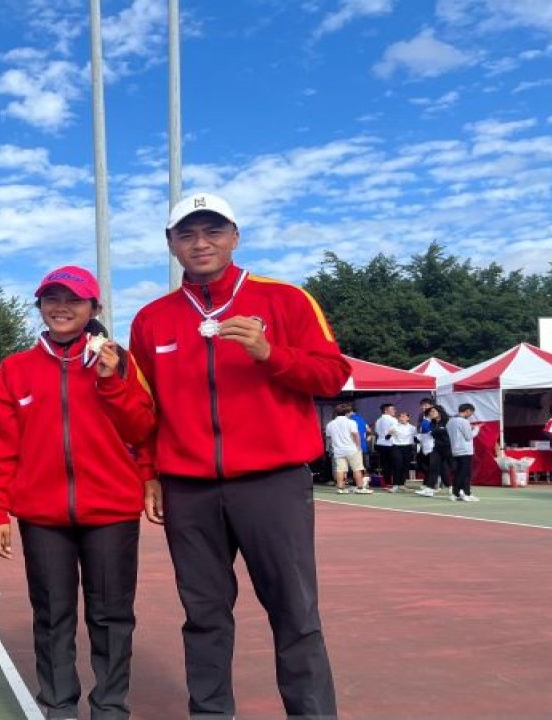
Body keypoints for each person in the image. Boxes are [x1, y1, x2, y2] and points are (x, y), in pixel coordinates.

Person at [131, 192, 347, 718]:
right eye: (187, 234)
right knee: (203, 616)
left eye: (213, 231)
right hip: (189, 487)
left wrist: (270, 354)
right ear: (170, 244)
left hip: (273, 483)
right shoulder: (152, 320)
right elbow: (143, 410)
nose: (200, 243)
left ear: (235, 235)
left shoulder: (287, 300)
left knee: (295, 613)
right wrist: (149, 474)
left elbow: (332, 375)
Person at [0, 266, 155, 720]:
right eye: (52, 298)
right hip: (42, 516)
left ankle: (110, 707)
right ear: (40, 306)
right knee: (53, 616)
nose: (62, 307)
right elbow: (1, 444)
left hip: (112, 511)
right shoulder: (15, 369)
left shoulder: (119, 359)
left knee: (111, 617)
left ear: (94, 308)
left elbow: (142, 427)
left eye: (74, 299)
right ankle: (58, 706)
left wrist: (111, 381)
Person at [325, 402, 368, 494]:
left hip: (338, 450)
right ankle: (360, 488)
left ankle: (341, 488)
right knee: (357, 468)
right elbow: (356, 435)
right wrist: (358, 446)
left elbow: (328, 436)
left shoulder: (330, 424)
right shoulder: (351, 422)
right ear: (347, 412)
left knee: (340, 469)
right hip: (351, 448)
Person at [415, 405, 451, 498]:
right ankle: (430, 489)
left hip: (448, 448)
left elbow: (447, 433)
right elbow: (430, 432)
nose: (431, 413)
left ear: (440, 412)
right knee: (433, 467)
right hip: (436, 448)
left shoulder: (447, 421)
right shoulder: (432, 423)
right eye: (430, 412)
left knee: (451, 468)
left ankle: (456, 487)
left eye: (433, 411)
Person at [448, 404, 479, 502]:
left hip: (455, 449)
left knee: (459, 472)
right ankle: (461, 493)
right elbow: (469, 436)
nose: (471, 415)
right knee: (464, 473)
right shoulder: (464, 421)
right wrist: (476, 429)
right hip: (465, 450)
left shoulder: (450, 421)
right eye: (471, 412)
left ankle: (461, 493)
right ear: (468, 411)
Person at [374, 403, 403, 491]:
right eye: (392, 409)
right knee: (396, 464)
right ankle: (396, 483)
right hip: (390, 444)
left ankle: (387, 483)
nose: (395, 410)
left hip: (381, 444)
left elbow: (376, 431)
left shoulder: (378, 420)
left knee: (386, 465)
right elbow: (394, 430)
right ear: (386, 410)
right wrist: (389, 436)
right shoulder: (392, 419)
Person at [392, 411, 418, 489]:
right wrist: (389, 433)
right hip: (397, 447)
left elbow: (416, 438)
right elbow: (387, 437)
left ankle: (402, 484)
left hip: (408, 447)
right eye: (400, 416)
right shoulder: (395, 426)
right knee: (397, 465)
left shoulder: (412, 428)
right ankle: (395, 484)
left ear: (408, 418)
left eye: (403, 416)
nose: (401, 418)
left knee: (405, 466)